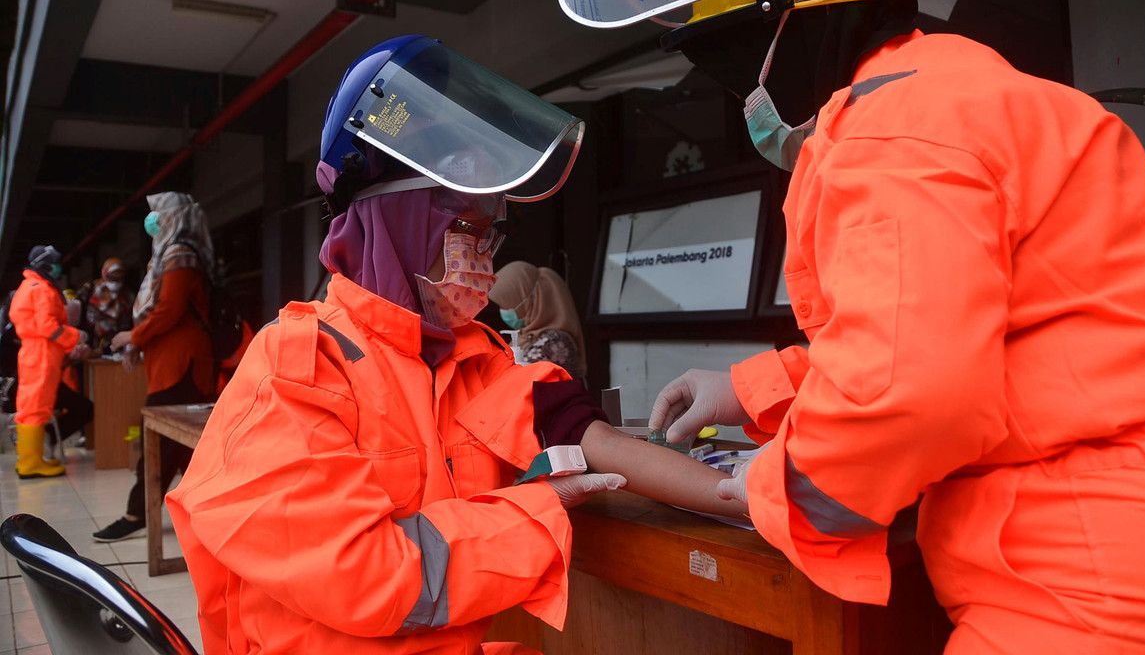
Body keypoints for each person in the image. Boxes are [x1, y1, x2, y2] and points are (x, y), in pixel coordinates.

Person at [558, 0, 1145, 654]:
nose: (743, 96)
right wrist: (754, 387)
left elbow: (909, 391)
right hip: (1138, 534)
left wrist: (760, 490)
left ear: (799, 27)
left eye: (734, 61)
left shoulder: (894, 133)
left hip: (1087, 576)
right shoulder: (971, 95)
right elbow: (970, 331)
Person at [166, 35, 747, 655]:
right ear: (398, 224)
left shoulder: (465, 354)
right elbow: (368, 575)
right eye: (463, 228)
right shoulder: (295, 370)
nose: (484, 263)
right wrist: (535, 511)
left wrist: (746, 492)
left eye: (490, 235)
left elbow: (584, 435)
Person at [93, 192, 216, 542]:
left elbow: (168, 311)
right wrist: (137, 341)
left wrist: (131, 336)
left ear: (175, 217)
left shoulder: (179, 255)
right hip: (173, 361)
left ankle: (137, 512)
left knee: (160, 444)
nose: (152, 220)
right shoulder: (168, 255)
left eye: (158, 214)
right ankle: (204, 509)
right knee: (183, 445)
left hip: (183, 363)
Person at [8, 245, 89, 478]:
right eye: (54, 262)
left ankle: (29, 460)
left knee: (31, 407)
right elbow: (48, 326)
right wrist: (76, 336)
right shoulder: (41, 288)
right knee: (36, 408)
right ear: (44, 264)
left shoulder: (27, 285)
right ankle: (31, 465)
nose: (57, 267)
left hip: (34, 352)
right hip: (42, 353)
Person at [489, 261, 587, 383]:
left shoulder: (554, 342)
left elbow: (517, 383)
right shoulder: (526, 336)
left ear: (532, 301)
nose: (504, 311)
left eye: (509, 305)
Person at [77, 257, 134, 355]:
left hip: (112, 347)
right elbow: (77, 312)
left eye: (118, 278)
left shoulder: (128, 297)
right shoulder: (89, 289)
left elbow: (128, 325)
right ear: (104, 273)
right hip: (87, 342)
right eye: (111, 277)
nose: (115, 282)